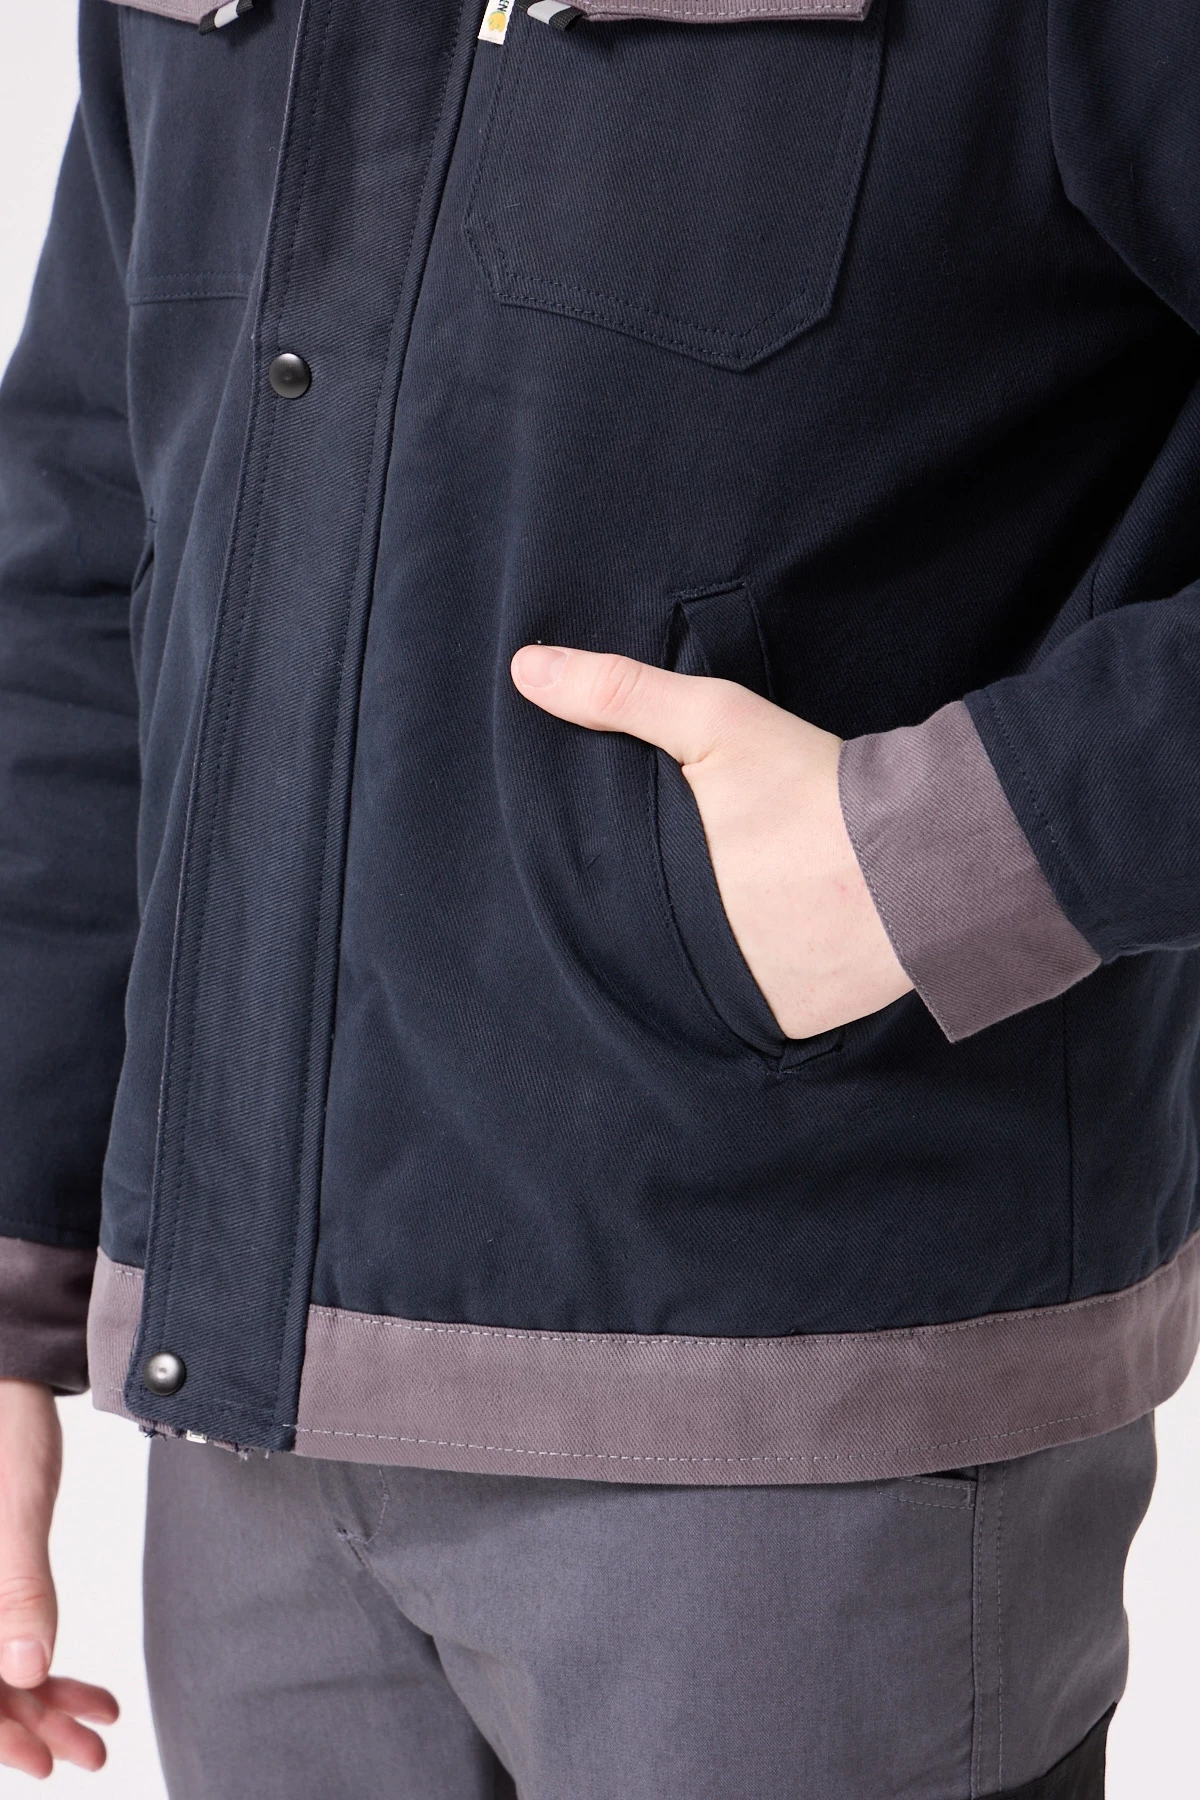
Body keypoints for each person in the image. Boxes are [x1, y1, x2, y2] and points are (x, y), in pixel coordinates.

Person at [0, 0, 1196, 1792]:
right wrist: (11, 1274)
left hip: (793, 1435)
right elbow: (98, 536)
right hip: (239, 1432)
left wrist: (956, 846)